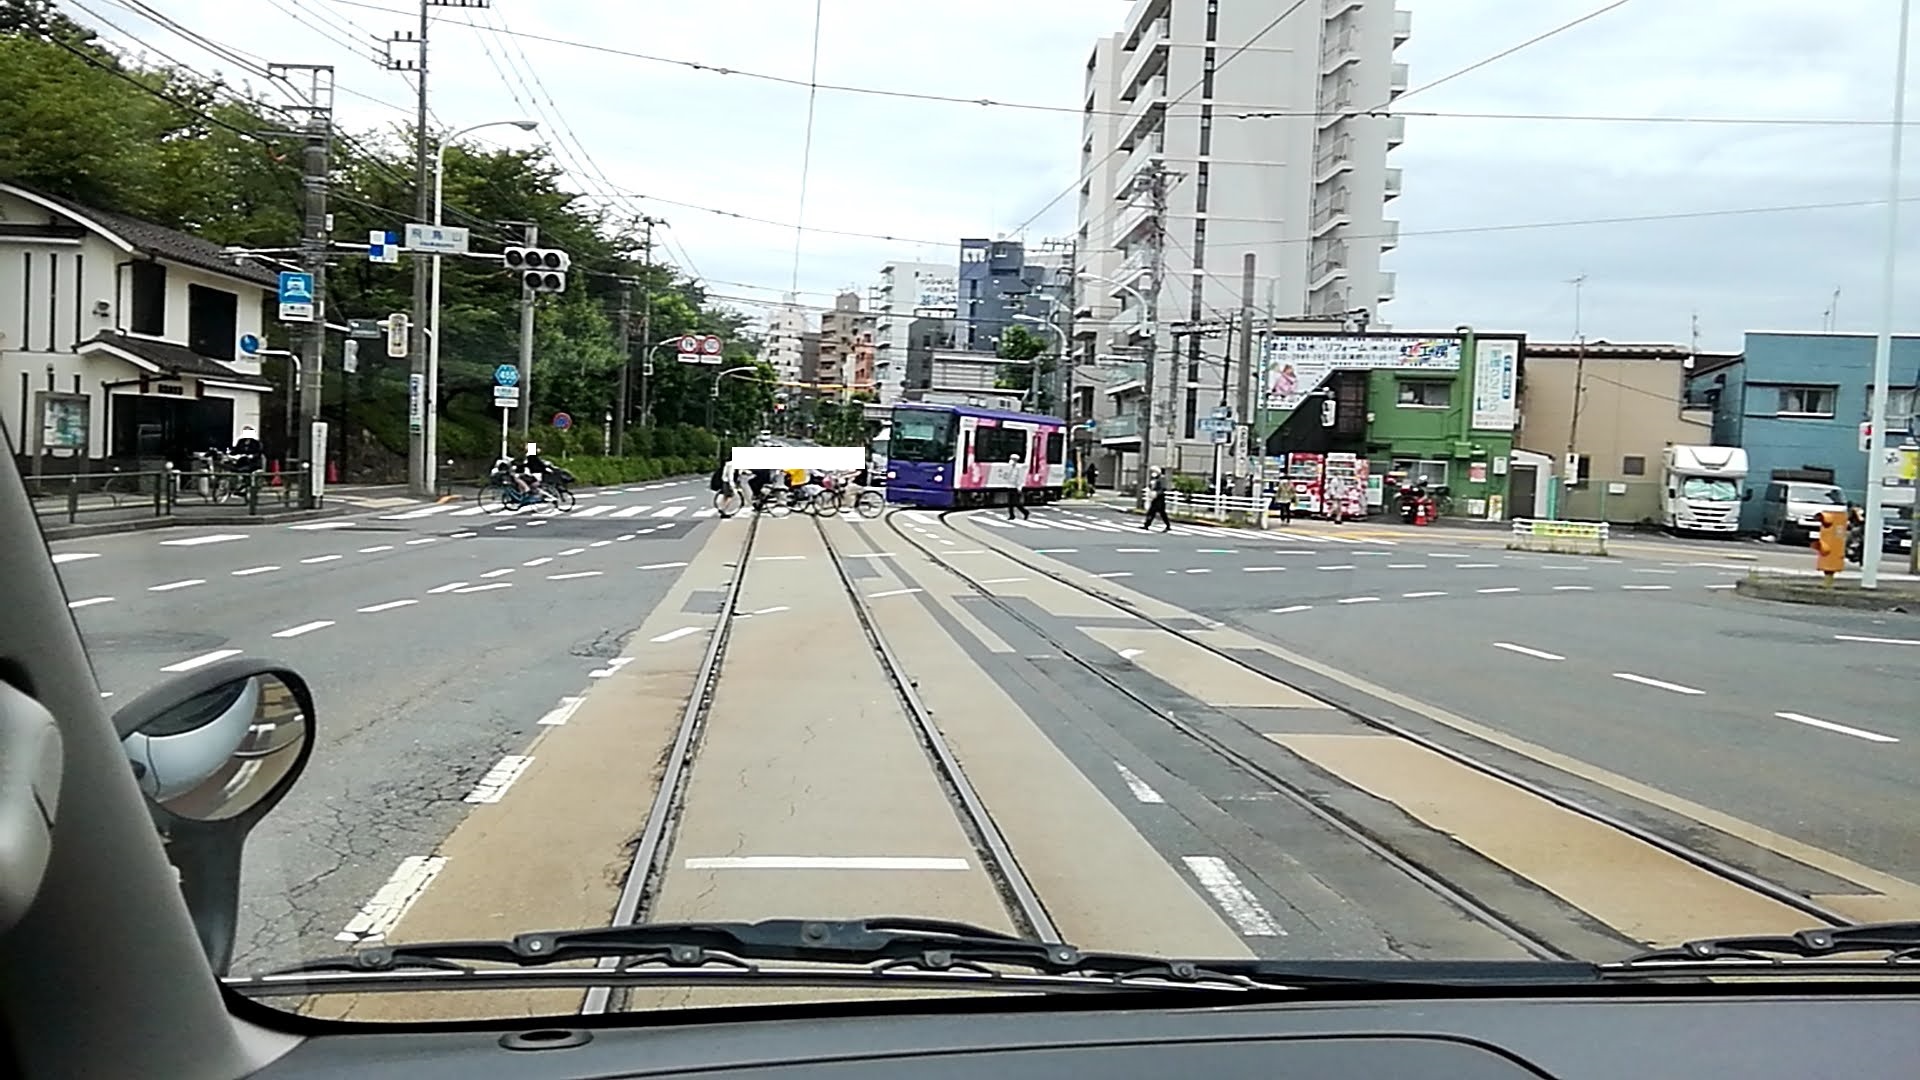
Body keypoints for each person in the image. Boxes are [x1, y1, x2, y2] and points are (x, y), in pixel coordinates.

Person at [1143, 466, 1171, 531]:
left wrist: (1157, 493)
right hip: (1154, 498)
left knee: (1160, 512)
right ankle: (1146, 524)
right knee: (1152, 511)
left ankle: (1167, 525)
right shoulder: (1154, 479)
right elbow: (1151, 487)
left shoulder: (1161, 479)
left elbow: (1163, 489)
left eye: (1154, 471)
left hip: (1160, 498)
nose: (1152, 473)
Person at [1006, 453, 1030, 520]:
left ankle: (1025, 512)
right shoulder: (1010, 467)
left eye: (1013, 459)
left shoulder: (1019, 468)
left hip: (1016, 487)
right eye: (1011, 459)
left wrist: (1020, 487)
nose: (1011, 460)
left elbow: (1020, 478)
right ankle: (1011, 515)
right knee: (1010, 503)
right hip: (1010, 486)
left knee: (1016, 503)